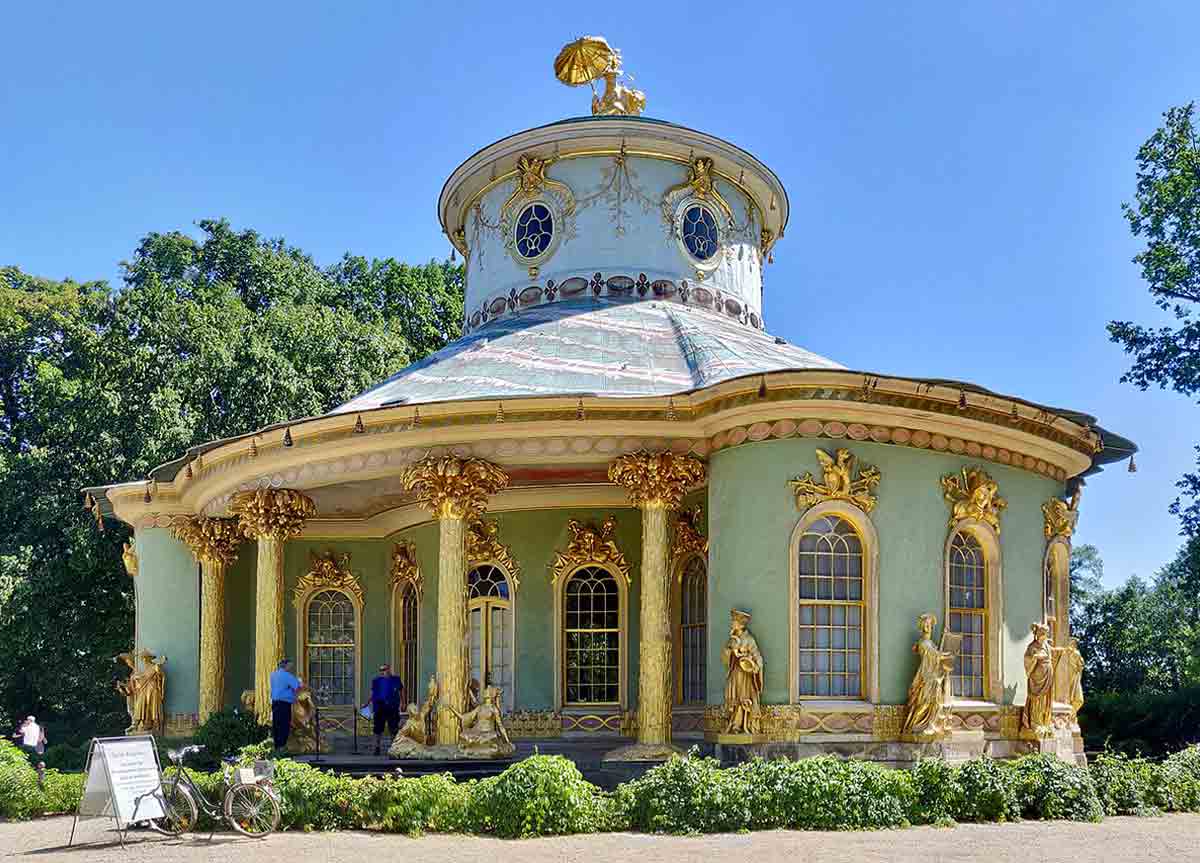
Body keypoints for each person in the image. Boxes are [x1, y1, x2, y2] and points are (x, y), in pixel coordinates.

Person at [366, 664, 404, 755]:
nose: (384, 671)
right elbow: (372, 693)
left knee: (393, 728)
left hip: (392, 706)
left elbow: (401, 691)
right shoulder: (376, 680)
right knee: (378, 729)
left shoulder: (396, 679)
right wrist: (367, 703)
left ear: (389, 669)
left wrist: (403, 703)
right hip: (379, 706)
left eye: (385, 669)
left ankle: (394, 748)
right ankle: (377, 747)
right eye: (382, 670)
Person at [269, 658, 303, 750]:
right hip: (284, 703)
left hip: (275, 702)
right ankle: (282, 746)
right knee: (284, 724)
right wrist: (299, 683)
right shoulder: (287, 675)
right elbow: (297, 687)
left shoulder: (273, 675)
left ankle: (276, 746)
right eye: (290, 666)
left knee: (276, 724)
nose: (291, 668)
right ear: (286, 666)